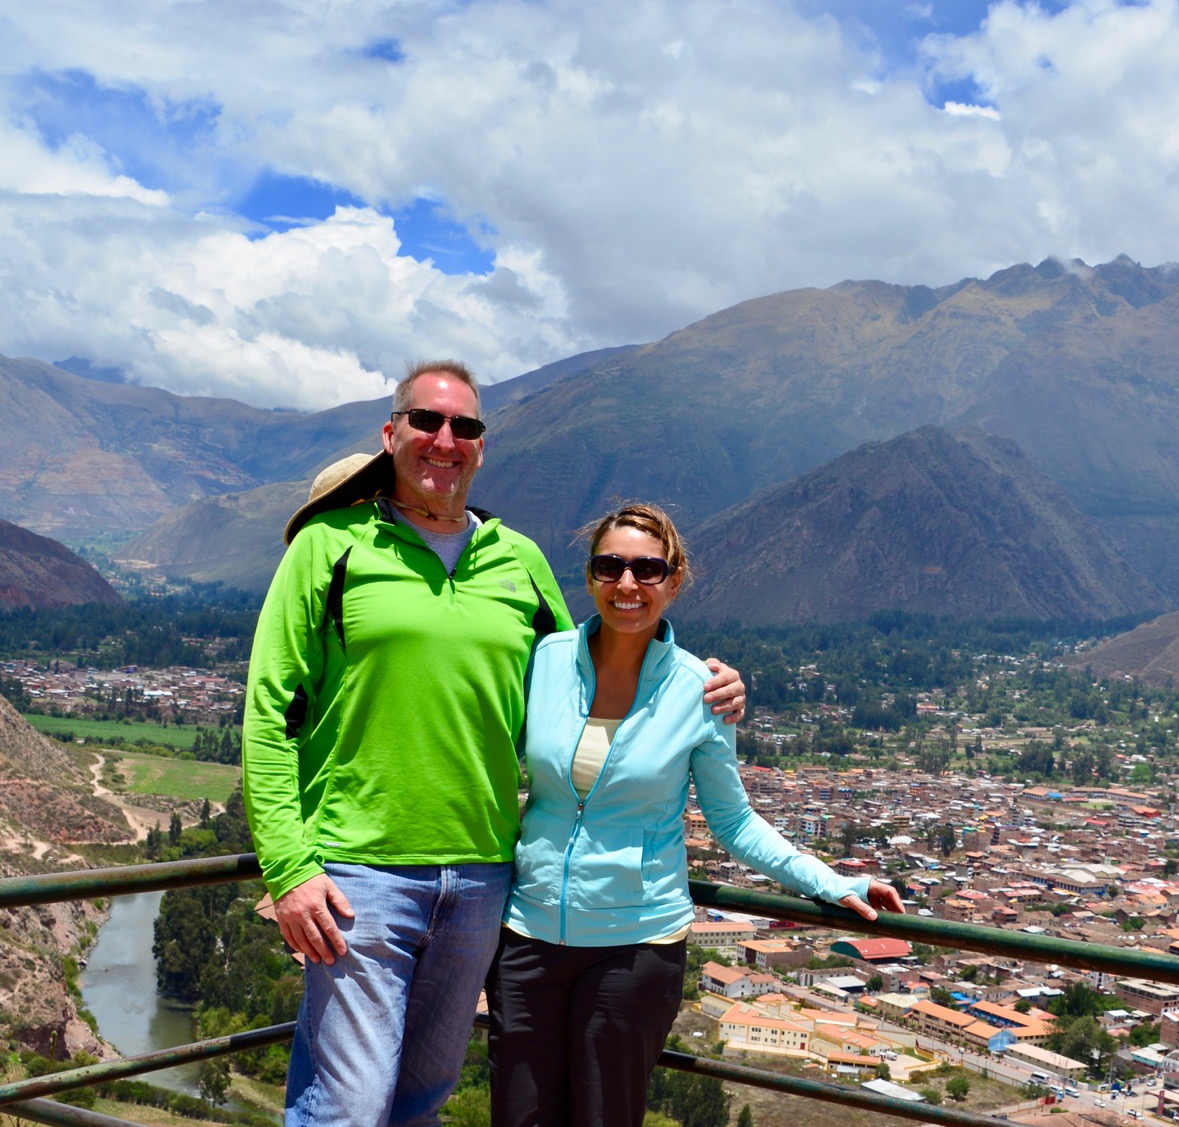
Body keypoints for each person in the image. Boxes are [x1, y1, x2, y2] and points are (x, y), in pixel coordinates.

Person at [243, 363, 746, 1127]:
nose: (445, 439)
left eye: (465, 427)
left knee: (421, 1095)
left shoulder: (519, 560)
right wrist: (289, 866)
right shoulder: (329, 545)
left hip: (482, 878)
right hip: (358, 873)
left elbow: (595, 664)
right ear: (391, 435)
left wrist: (705, 687)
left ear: (481, 447)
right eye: (426, 421)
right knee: (348, 1103)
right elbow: (267, 711)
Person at [488, 503, 903, 1127]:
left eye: (647, 570)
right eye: (611, 566)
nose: (628, 585)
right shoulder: (541, 660)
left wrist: (832, 882)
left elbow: (733, 823)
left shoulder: (701, 691)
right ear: (591, 576)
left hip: (633, 949)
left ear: (674, 582)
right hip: (527, 937)